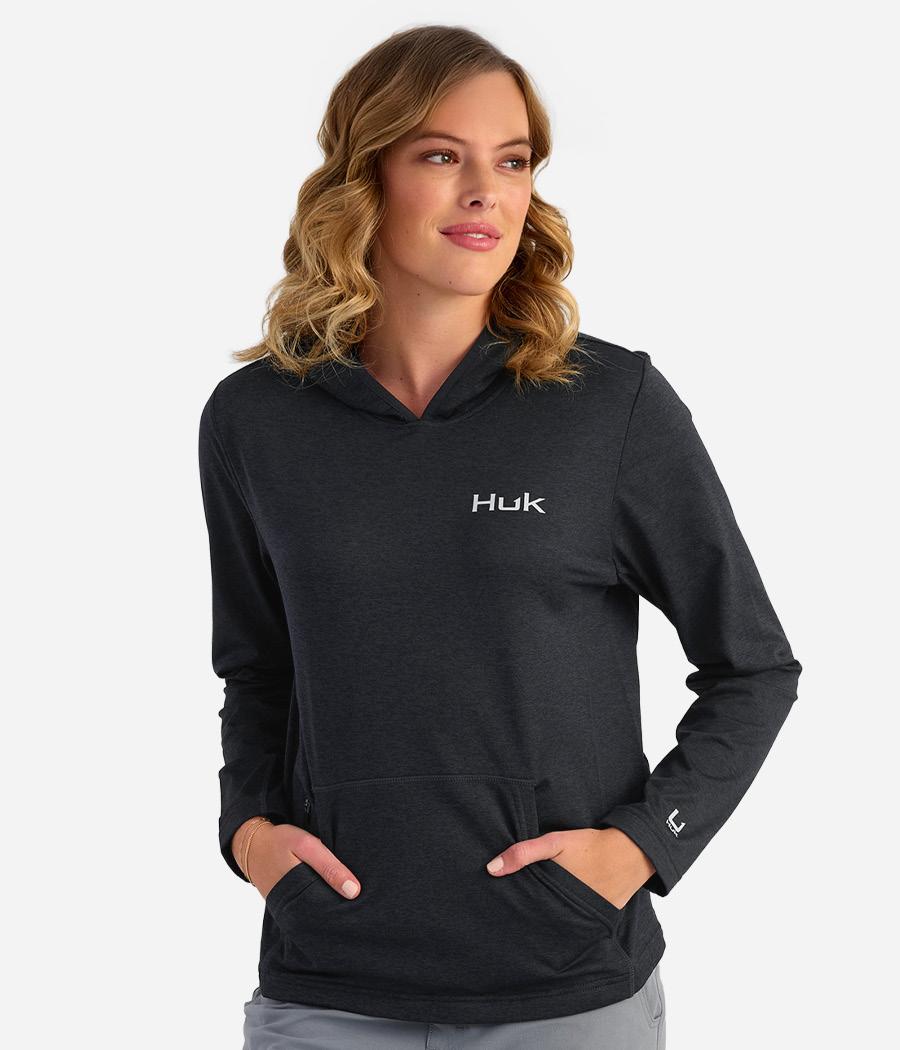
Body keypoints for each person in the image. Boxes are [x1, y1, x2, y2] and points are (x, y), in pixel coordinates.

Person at [197, 24, 801, 1050]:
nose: (487, 191)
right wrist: (248, 833)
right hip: (328, 979)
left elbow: (754, 668)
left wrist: (640, 848)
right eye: (442, 155)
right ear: (365, 178)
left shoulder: (609, 405)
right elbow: (258, 669)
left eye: (512, 161)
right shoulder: (256, 420)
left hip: (566, 987)